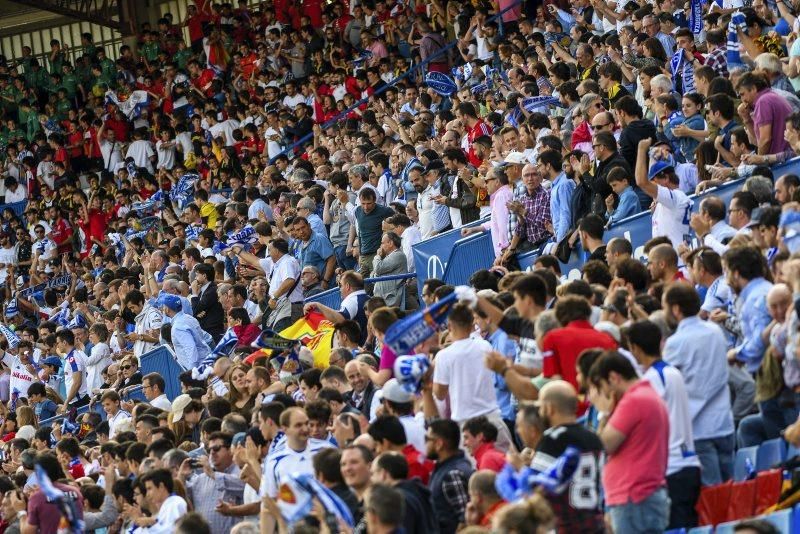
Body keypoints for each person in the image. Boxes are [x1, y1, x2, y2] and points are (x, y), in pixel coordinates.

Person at [626, 320, 702, 529]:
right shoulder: (672, 372)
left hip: (672, 467)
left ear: (634, 348)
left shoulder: (651, 379)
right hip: (687, 463)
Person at [589, 351, 670, 534]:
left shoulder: (633, 400)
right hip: (639, 498)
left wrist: (603, 413)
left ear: (613, 378)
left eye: (602, 387)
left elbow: (603, 445)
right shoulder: (645, 395)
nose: (604, 395)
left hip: (635, 498)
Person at [662, 282, 734, 486]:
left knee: (715, 499)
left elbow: (667, 387)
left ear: (676, 309)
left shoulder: (675, 344)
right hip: (724, 424)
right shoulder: (715, 331)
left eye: (665, 307)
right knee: (733, 491)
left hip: (699, 429)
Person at [531, 380, 604, 533]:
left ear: (549, 408)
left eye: (541, 407)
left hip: (565, 526)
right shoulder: (594, 438)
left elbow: (536, 488)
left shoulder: (552, 439)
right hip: (594, 525)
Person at [426, 419, 474, 534]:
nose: (425, 444)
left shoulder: (451, 474)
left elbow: (466, 519)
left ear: (439, 444)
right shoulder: (447, 468)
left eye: (427, 439)